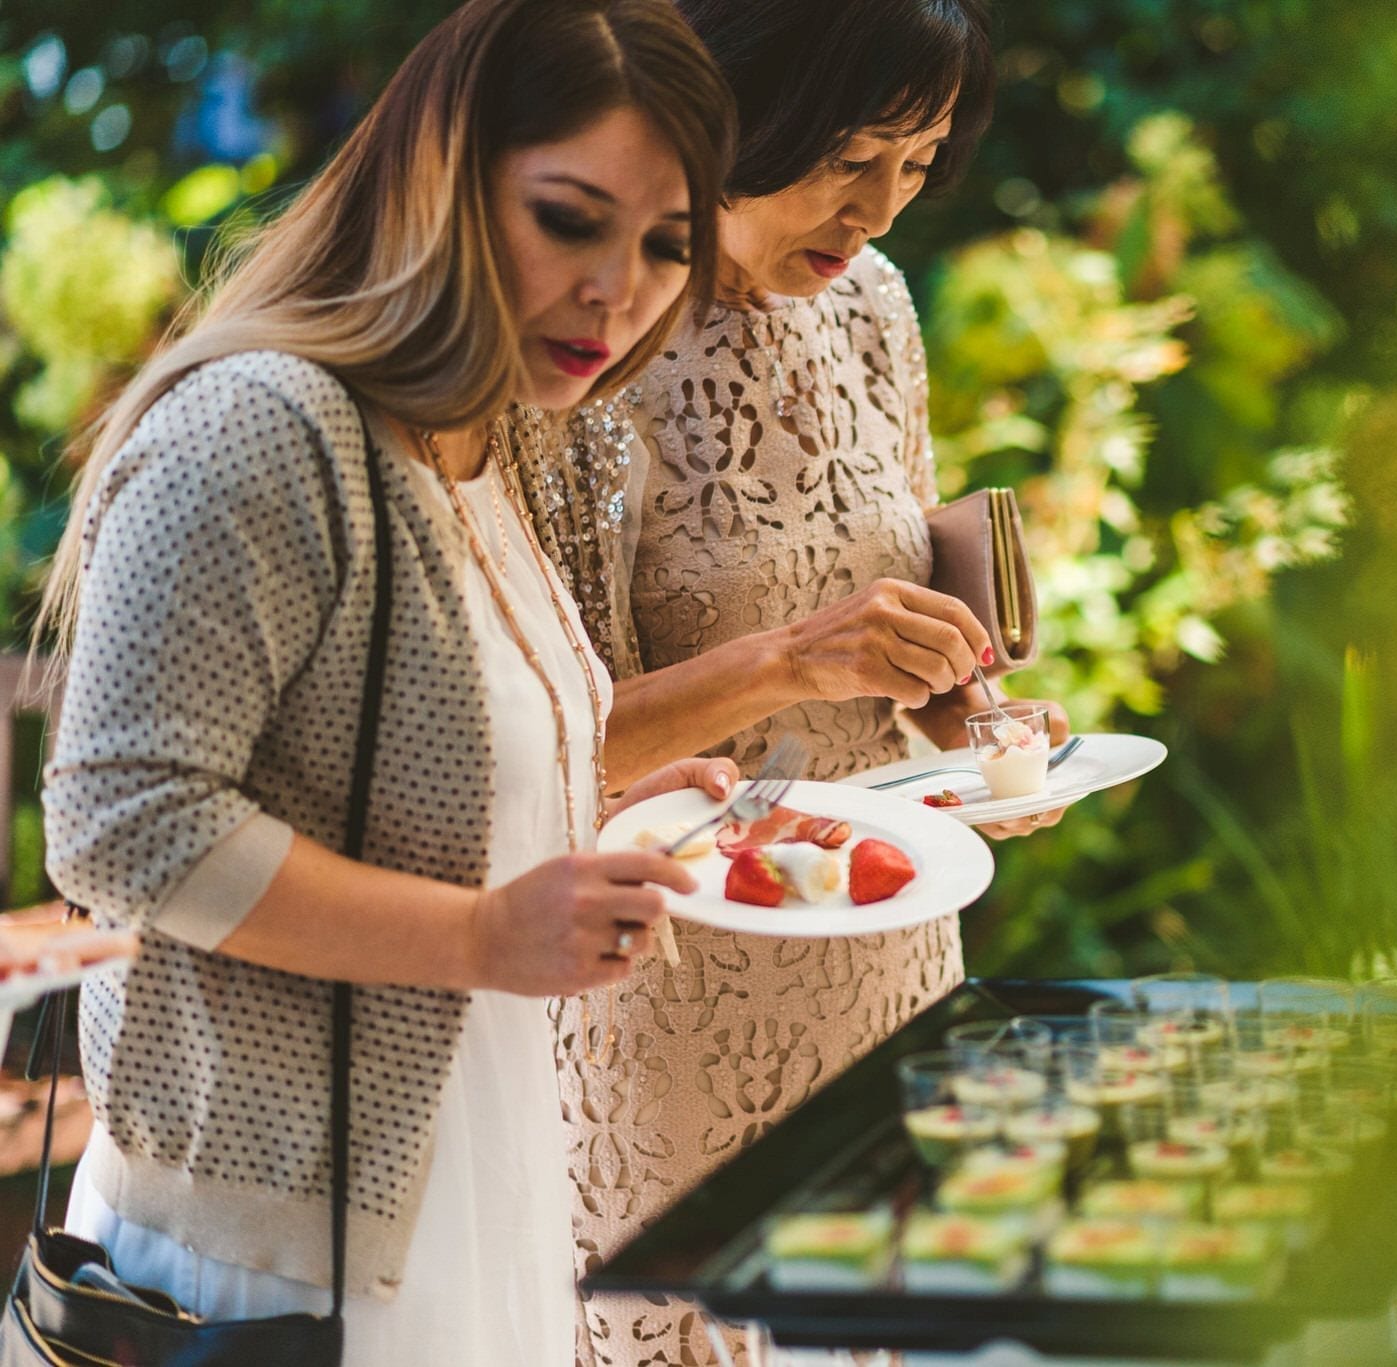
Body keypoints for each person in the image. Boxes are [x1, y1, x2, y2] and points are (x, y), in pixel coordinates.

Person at [36, 3, 736, 1363]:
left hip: (468, 1163)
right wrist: (483, 939)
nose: (621, 291)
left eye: (665, 245)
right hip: (281, 1236)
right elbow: (121, 830)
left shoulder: (496, 433)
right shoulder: (260, 430)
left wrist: (603, 801)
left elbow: (410, 774)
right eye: (571, 219)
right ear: (444, 179)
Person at [502, 1, 1066, 1360]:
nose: (877, 209)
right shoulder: (590, 336)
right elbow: (539, 750)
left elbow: (901, 618)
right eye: (850, 154)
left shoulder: (870, 307)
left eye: (919, 163)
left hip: (889, 956)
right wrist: (786, 661)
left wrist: (973, 720)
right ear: (749, 111)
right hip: (667, 998)